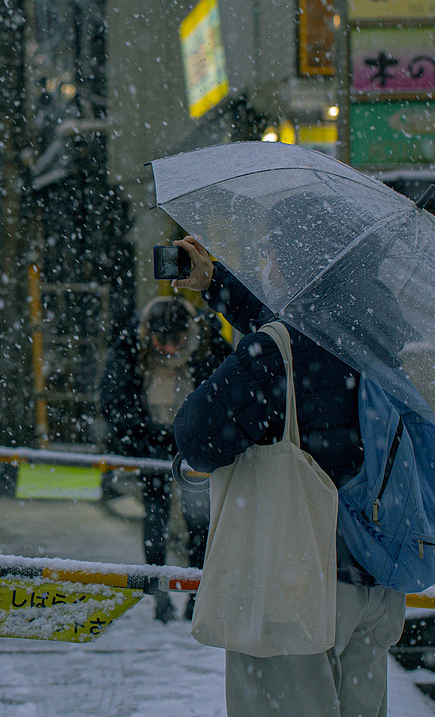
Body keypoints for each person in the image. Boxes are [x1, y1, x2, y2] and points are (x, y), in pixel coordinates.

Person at [170, 235, 406, 717]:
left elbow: (197, 436)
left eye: (273, 256)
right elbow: (300, 336)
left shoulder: (275, 353)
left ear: (296, 265)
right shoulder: (377, 339)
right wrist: (217, 284)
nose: (267, 267)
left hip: (294, 583)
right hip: (373, 582)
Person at [99, 294, 226, 623]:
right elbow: (113, 396)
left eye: (178, 342)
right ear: (148, 334)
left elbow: (226, 391)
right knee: (154, 514)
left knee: (198, 518)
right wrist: (137, 434)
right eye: (161, 342)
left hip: (194, 442)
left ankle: (197, 594)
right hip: (150, 438)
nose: (170, 350)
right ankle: (159, 595)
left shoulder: (210, 339)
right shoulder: (131, 343)